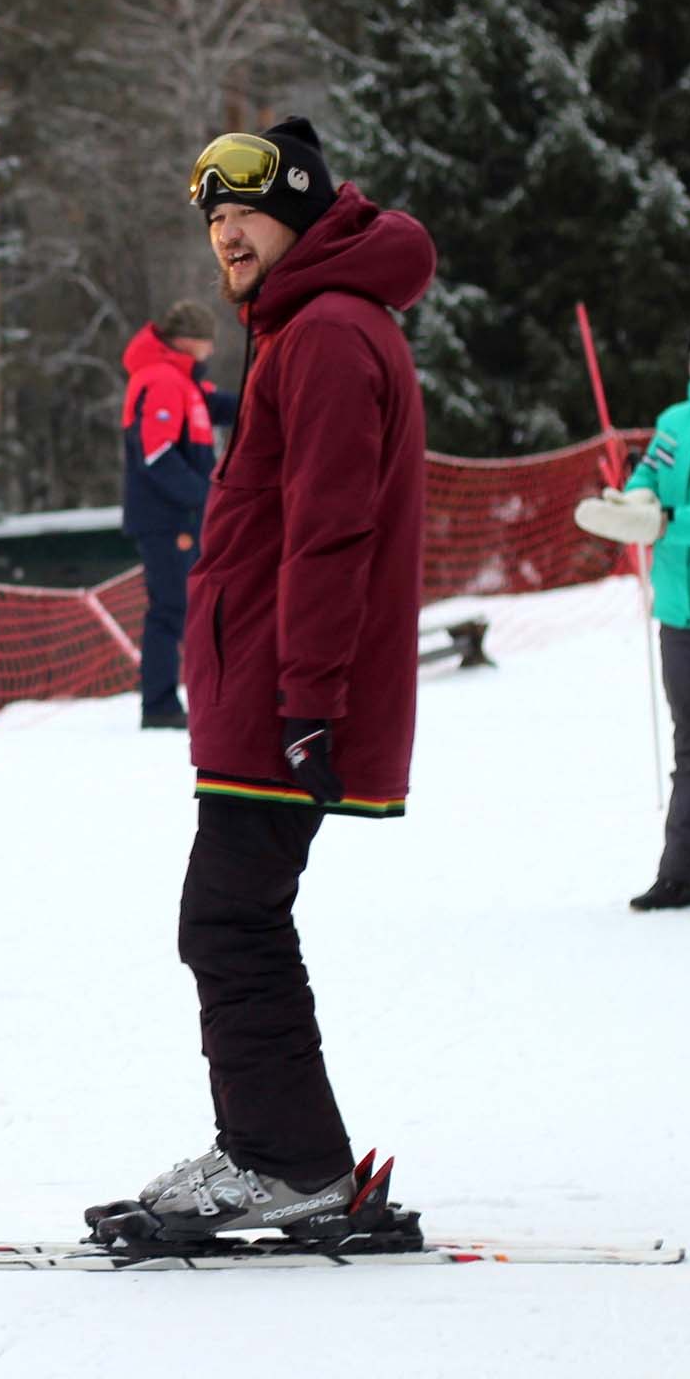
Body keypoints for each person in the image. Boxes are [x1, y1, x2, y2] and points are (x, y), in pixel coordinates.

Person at [90, 115, 436, 1248]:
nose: (225, 235)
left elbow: (330, 534)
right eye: (214, 219)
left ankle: (284, 1160)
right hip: (263, 686)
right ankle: (270, 1151)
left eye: (244, 211)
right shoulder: (305, 327)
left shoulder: (330, 334)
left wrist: (307, 705)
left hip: (285, 699)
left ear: (297, 211)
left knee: (230, 921)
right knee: (233, 920)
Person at [574, 333, 690, 910]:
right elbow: (651, 476)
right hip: (679, 613)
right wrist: (635, 501)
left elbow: (671, 516)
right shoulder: (675, 422)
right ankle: (681, 874)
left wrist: (668, 521)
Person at [120, 299, 234, 730]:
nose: (210, 349)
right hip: (169, 519)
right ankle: (160, 704)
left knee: (186, 607)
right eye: (206, 340)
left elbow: (219, 404)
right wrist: (204, 496)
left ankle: (178, 698)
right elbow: (158, 451)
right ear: (189, 341)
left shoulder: (183, 382)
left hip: (181, 516)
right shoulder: (163, 380)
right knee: (170, 609)